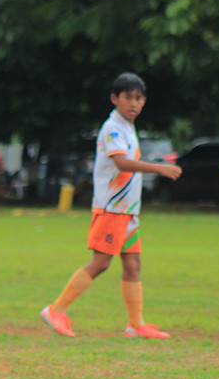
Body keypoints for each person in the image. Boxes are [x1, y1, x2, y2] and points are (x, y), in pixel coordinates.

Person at [40, 72, 182, 339]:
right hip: (111, 210)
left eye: (139, 98)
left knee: (132, 265)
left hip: (126, 212)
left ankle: (135, 324)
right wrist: (158, 168)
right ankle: (55, 310)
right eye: (128, 97)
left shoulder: (127, 127)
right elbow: (122, 163)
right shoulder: (113, 127)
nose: (134, 103)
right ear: (115, 98)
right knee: (101, 262)